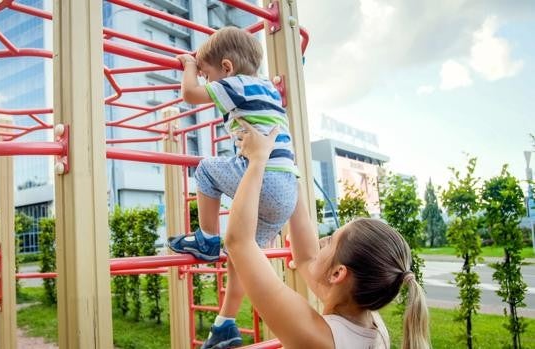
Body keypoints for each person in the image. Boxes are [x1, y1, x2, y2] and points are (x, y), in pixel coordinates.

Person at [224, 119, 431, 348]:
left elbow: (239, 242)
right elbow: (306, 257)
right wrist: (287, 171)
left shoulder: (317, 338)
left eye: (331, 240)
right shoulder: (371, 323)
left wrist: (258, 160)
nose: (321, 241)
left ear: (338, 274)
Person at [168, 27, 299, 348]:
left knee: (206, 169)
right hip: (287, 191)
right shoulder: (268, 88)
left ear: (226, 68)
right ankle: (225, 323)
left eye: (208, 74)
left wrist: (189, 65)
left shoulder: (234, 83)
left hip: (263, 177)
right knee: (243, 254)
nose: (207, 81)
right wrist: (202, 66)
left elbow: (189, 95)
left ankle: (207, 238)